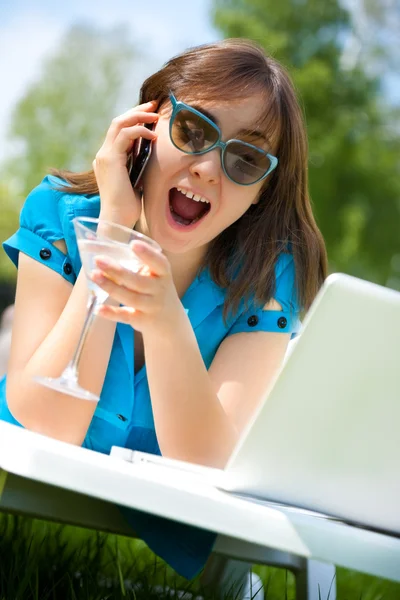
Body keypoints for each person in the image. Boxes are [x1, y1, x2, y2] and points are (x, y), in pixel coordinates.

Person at [0, 38, 327, 578]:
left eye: (245, 158)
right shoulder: (57, 214)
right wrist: (110, 232)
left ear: (261, 193)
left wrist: (169, 324)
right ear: (145, 128)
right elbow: (47, 424)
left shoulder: (272, 276)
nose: (206, 168)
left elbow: (209, 469)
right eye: (194, 130)